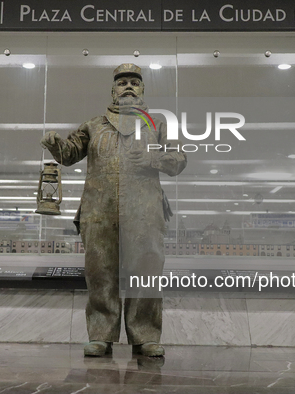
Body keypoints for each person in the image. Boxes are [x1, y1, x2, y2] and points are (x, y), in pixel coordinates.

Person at [41, 63, 186, 357]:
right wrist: (55, 146)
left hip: (144, 210)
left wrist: (151, 159)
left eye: (134, 82)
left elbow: (178, 159)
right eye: (122, 83)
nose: (128, 86)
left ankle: (145, 336)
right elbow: (69, 154)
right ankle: (101, 335)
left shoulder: (157, 123)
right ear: (113, 90)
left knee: (145, 272)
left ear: (142, 88)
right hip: (99, 209)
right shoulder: (93, 125)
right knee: (100, 272)